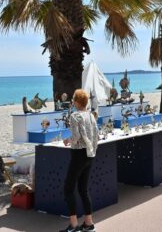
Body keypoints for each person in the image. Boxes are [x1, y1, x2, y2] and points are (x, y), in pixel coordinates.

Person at [61, 89, 99, 232]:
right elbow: (96, 135)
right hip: (90, 154)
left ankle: (74, 225)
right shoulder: (91, 115)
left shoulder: (74, 116)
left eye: (73, 100)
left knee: (68, 189)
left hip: (78, 155)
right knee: (83, 189)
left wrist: (67, 140)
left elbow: (76, 137)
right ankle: (89, 223)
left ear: (76, 102)